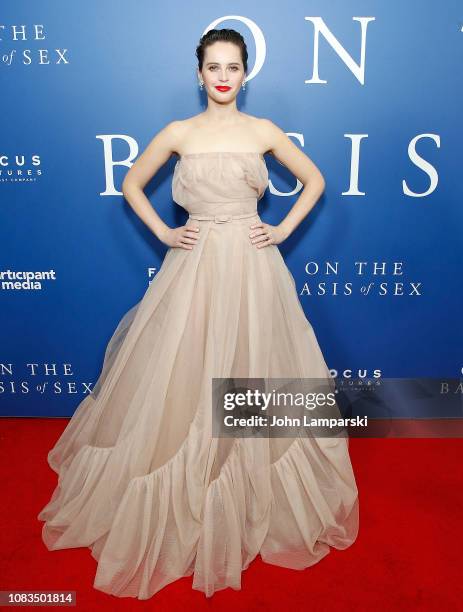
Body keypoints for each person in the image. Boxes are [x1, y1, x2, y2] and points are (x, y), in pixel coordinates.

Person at [38, 28, 359, 600]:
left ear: (244, 73)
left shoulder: (261, 131)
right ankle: (190, 486)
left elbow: (315, 180)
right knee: (183, 375)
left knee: (250, 368)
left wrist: (282, 227)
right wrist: (164, 230)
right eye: (214, 66)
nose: (223, 76)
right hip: (194, 267)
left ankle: (248, 488)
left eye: (233, 67)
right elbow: (133, 184)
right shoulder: (179, 134)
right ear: (199, 73)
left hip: (254, 268)